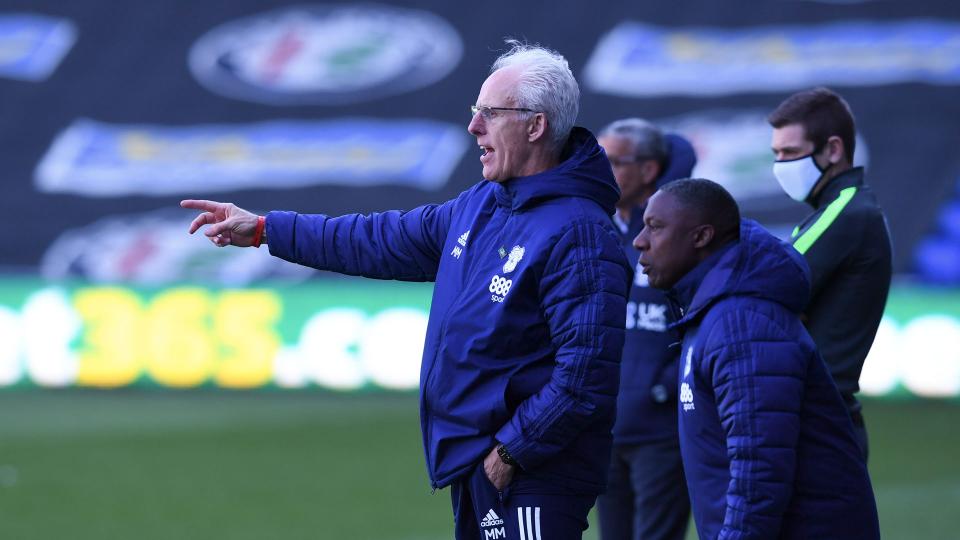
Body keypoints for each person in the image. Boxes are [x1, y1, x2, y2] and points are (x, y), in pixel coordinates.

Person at [182, 41, 631, 540]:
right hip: (481, 464)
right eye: (475, 110)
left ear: (535, 125)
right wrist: (267, 229)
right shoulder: (481, 205)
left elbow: (585, 377)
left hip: (532, 474)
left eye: (490, 113)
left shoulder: (579, 232)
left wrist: (510, 453)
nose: (473, 126)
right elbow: (378, 238)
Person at [633, 178, 880, 539]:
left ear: (701, 237)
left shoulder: (741, 323)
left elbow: (758, 468)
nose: (640, 240)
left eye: (655, 227)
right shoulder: (715, 312)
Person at [769, 87, 892, 460]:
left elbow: (764, 288)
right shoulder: (834, 212)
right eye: (776, 154)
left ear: (833, 150)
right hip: (823, 417)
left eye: (791, 153)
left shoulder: (848, 211)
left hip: (820, 421)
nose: (780, 165)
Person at [595, 119, 695, 540]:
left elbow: (704, 323)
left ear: (649, 169)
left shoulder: (681, 235)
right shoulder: (597, 227)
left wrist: (663, 387)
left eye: (614, 162)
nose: (602, 170)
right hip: (604, 428)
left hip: (663, 432)